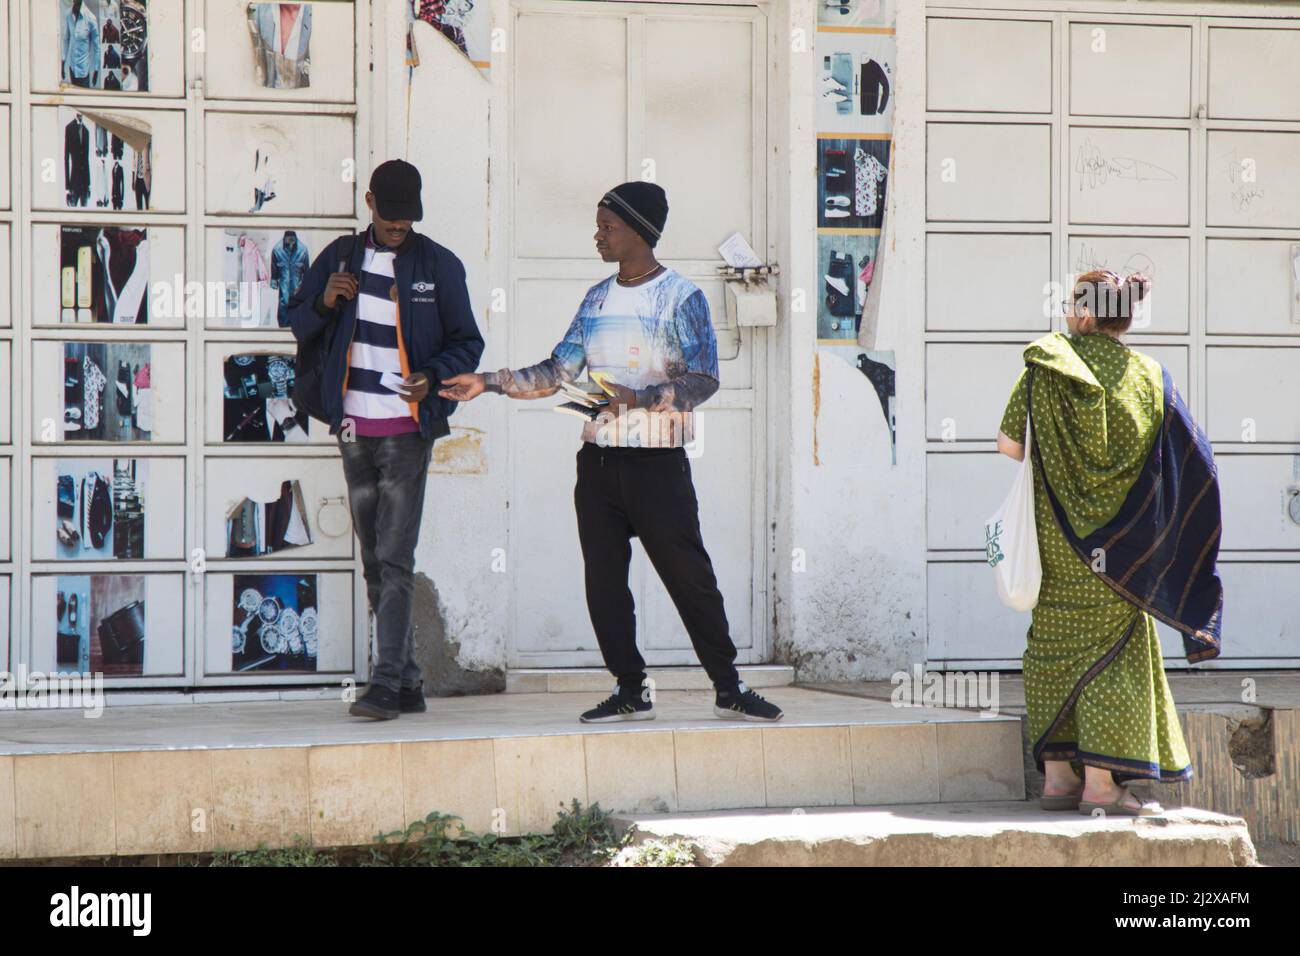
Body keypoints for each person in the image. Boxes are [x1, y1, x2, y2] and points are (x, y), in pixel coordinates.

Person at [440, 182, 783, 724]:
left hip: (657, 467)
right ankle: (630, 688)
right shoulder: (596, 298)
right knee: (604, 583)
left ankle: (728, 686)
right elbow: (557, 371)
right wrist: (486, 382)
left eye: (608, 227)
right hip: (598, 466)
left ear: (640, 232)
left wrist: (642, 399)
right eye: (598, 225)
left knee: (689, 577)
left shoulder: (681, 298)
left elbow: (704, 380)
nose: (597, 235)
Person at [996, 270, 1223, 817]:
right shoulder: (1150, 377)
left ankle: (1058, 781)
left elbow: (1009, 447)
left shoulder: (1044, 371)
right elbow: (1191, 459)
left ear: (1083, 313)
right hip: (1123, 550)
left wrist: (1065, 462)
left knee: (1050, 646)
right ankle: (1101, 787)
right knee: (1116, 656)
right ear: (1123, 317)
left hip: (1057, 542)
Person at [287, 159, 485, 719]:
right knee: (375, 559)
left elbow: (467, 342)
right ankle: (410, 684)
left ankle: (386, 682)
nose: (398, 228)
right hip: (352, 428)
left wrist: (431, 375)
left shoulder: (439, 265)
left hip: (406, 432)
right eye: (389, 217)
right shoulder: (340, 258)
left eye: (407, 221)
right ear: (369, 201)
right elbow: (298, 323)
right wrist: (325, 300)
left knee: (395, 557)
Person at [62, 0, 101, 88]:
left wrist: (96, 70)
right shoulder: (68, 14)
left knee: (84, 98)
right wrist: (63, 62)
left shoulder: (91, 18)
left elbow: (97, 47)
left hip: (83, 71)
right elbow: (66, 39)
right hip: (72, 68)